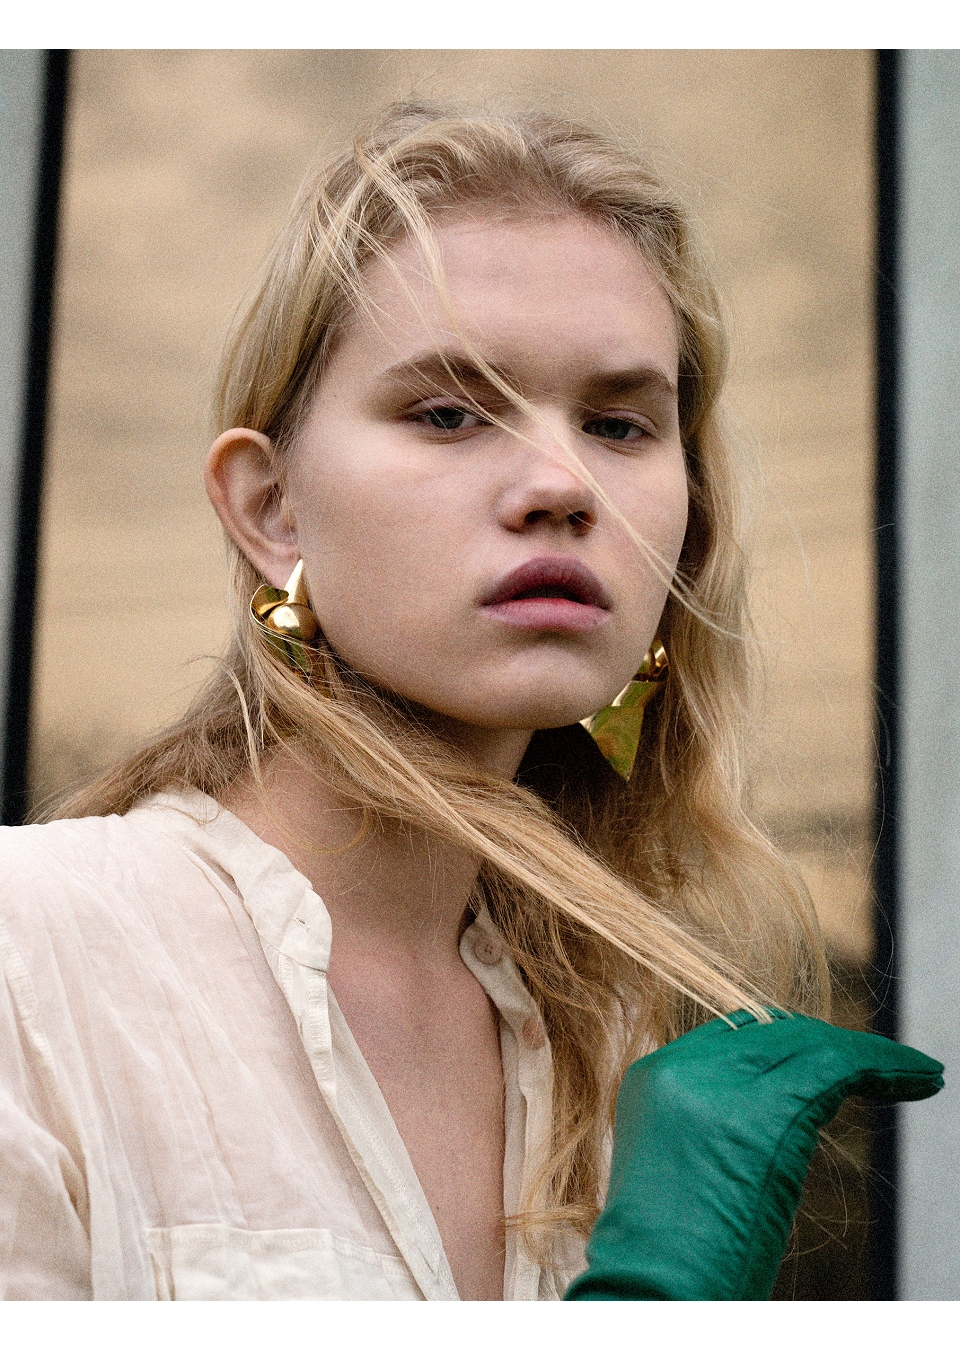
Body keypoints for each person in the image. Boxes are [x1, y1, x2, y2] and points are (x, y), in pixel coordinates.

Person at [0, 102, 940, 1303]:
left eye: (619, 424)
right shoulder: (33, 958)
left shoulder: (614, 1046)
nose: (562, 483)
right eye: (449, 413)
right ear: (272, 509)